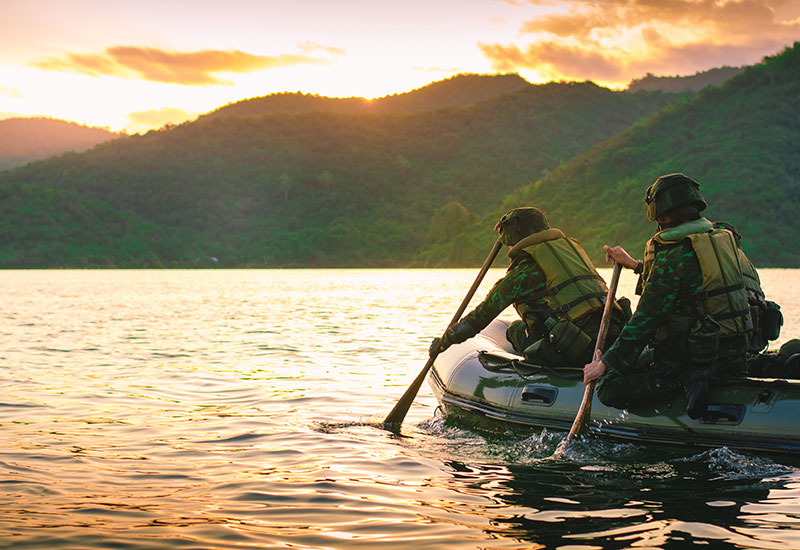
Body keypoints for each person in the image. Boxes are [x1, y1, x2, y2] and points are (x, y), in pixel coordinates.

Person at [583, 173, 752, 418]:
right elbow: (690, 281)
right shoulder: (720, 239)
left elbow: (645, 320)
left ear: (660, 215)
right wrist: (635, 265)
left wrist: (605, 364)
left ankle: (678, 385)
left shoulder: (672, 255)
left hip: (690, 362)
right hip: (734, 356)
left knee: (609, 388)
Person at [429, 207, 628, 368]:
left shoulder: (523, 274)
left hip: (576, 350)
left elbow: (479, 318)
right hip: (613, 339)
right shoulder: (570, 254)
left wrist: (445, 341)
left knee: (514, 330)